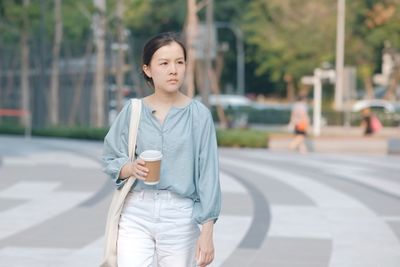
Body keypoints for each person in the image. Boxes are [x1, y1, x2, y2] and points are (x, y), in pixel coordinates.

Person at [102, 32, 221, 267]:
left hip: (180, 214)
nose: (173, 70)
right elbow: (110, 157)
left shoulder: (199, 115)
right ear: (147, 69)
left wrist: (207, 232)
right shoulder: (133, 110)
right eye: (164, 63)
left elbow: (208, 175)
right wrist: (131, 167)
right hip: (136, 210)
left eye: (179, 62)